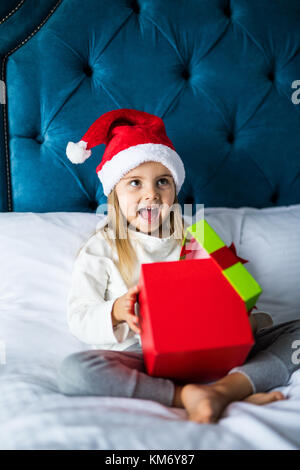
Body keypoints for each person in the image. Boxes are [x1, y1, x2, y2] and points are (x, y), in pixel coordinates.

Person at [57, 108, 300, 424]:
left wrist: (242, 314)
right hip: (140, 357)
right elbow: (79, 317)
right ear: (114, 191)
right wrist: (117, 310)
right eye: (134, 183)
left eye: (162, 182)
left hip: (208, 352)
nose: (151, 195)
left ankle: (225, 389)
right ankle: (190, 395)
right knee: (74, 372)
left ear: (174, 188)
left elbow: (237, 296)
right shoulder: (101, 248)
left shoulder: (195, 235)